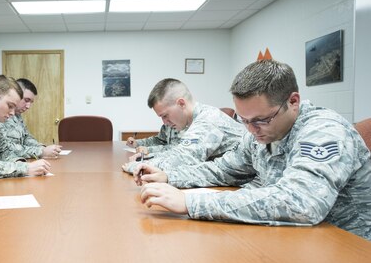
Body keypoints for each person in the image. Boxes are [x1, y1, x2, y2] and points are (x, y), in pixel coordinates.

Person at [135, 60, 371, 240]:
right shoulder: (258, 131)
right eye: (244, 120)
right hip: (294, 236)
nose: (251, 129)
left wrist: (191, 203)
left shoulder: (325, 131)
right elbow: (223, 170)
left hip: (349, 246)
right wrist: (170, 177)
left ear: (293, 101)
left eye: (261, 119)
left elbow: (300, 203)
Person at [121, 78, 245, 174]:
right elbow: (178, 151)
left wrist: (138, 166)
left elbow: (184, 159)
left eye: (165, 115)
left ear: (181, 103)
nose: (164, 122)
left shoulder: (207, 120)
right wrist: (149, 158)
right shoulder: (193, 120)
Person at [0, 78, 62, 159]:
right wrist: (40, 151)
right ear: (16, 94)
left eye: (31, 102)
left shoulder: (17, 115)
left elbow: (26, 137)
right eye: (26, 100)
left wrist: (42, 147)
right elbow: (6, 148)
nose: (28, 106)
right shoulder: (0, 115)